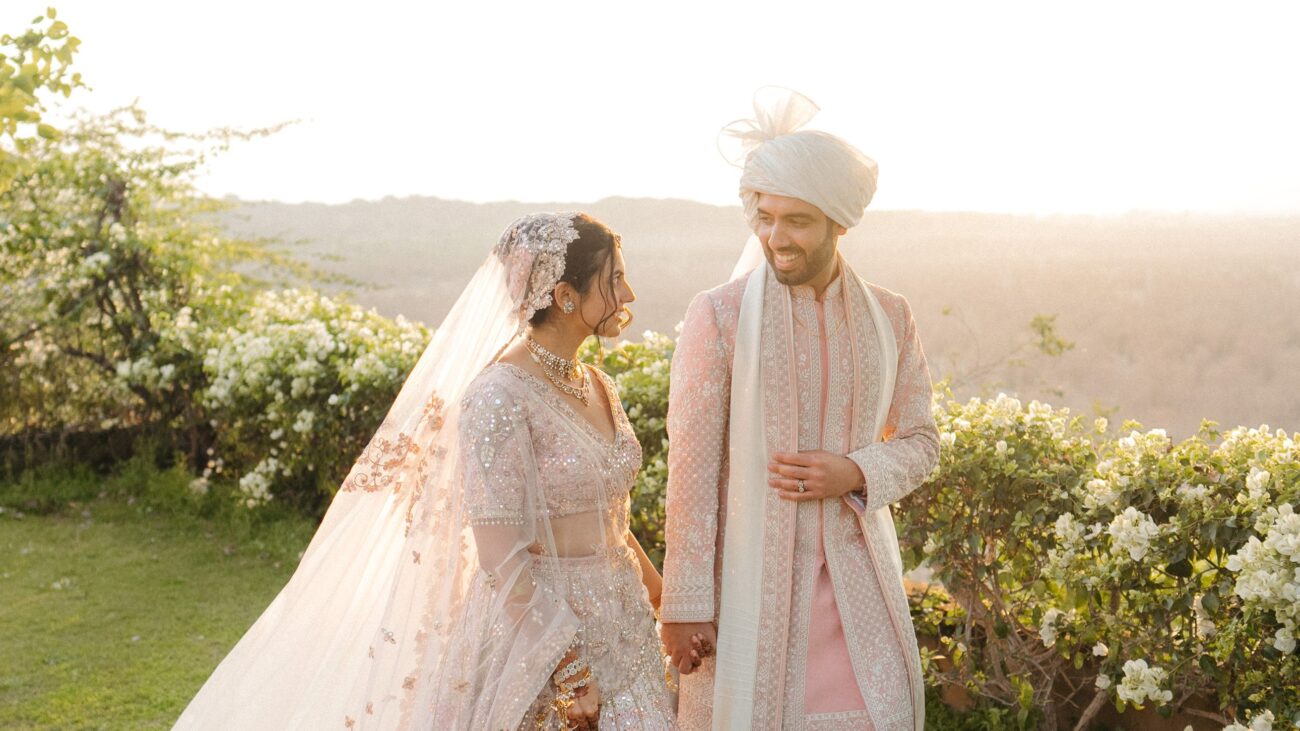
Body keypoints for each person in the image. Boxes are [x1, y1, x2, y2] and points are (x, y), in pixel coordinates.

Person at [174, 212, 674, 730]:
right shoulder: (499, 395)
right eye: (615, 279)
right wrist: (569, 670)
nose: (630, 293)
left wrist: (664, 601)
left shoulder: (596, 382)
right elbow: (500, 556)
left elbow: (609, 518)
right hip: (541, 638)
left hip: (625, 625)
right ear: (567, 295)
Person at [658, 88, 941, 730]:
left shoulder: (890, 317)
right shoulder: (720, 317)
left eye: (797, 221)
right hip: (750, 592)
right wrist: (685, 602)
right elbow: (693, 472)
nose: (774, 237)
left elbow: (922, 440)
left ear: (839, 222)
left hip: (859, 589)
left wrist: (855, 472)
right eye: (764, 217)